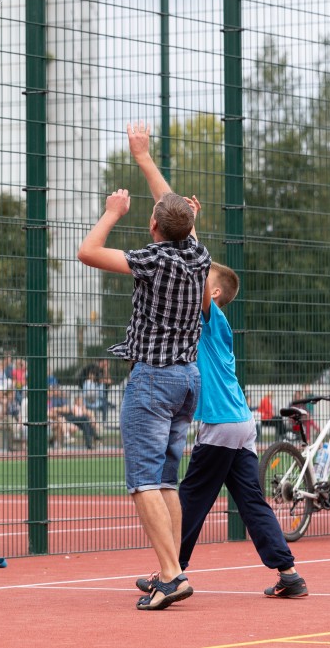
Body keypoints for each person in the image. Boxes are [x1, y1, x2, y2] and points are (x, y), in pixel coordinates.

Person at [77, 122, 209, 611]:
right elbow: (174, 210)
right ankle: (171, 569)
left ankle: (172, 575)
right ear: (188, 223)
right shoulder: (198, 254)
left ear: (154, 228)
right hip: (188, 379)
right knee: (167, 479)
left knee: (143, 482)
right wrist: (144, 157)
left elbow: (87, 251)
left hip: (153, 378)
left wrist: (111, 212)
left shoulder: (152, 259)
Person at [146, 262, 307, 599]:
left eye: (203, 281)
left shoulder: (213, 318)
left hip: (222, 424)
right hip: (239, 424)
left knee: (190, 499)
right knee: (251, 502)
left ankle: (171, 572)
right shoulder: (199, 326)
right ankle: (289, 574)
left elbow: (195, 265)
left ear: (213, 293)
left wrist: (189, 229)